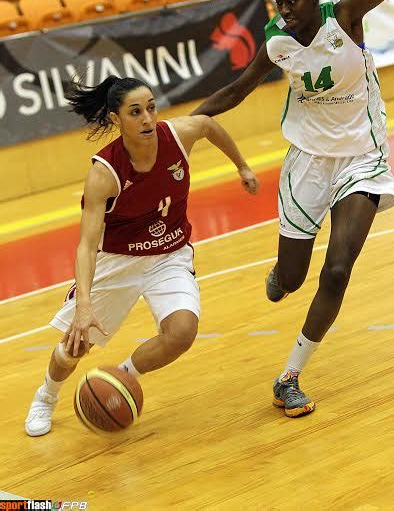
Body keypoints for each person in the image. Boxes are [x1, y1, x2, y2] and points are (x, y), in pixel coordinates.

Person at [191, 0, 394, 417]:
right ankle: (281, 274)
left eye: (291, 2)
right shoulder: (278, 40)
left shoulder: (347, 16)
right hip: (307, 160)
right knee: (291, 278)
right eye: (277, 2)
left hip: (362, 158)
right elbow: (236, 90)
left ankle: (288, 377)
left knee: (337, 271)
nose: (283, 10)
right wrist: (184, 128)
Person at [25, 75, 259, 436]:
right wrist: (84, 304)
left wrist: (241, 166)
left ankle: (121, 376)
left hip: (170, 254)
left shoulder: (179, 134)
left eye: (151, 107)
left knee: (181, 332)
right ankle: (46, 396)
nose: (148, 118)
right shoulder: (104, 173)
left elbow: (209, 125)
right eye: (136, 112)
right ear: (117, 119)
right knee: (74, 345)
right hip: (117, 261)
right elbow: (87, 245)